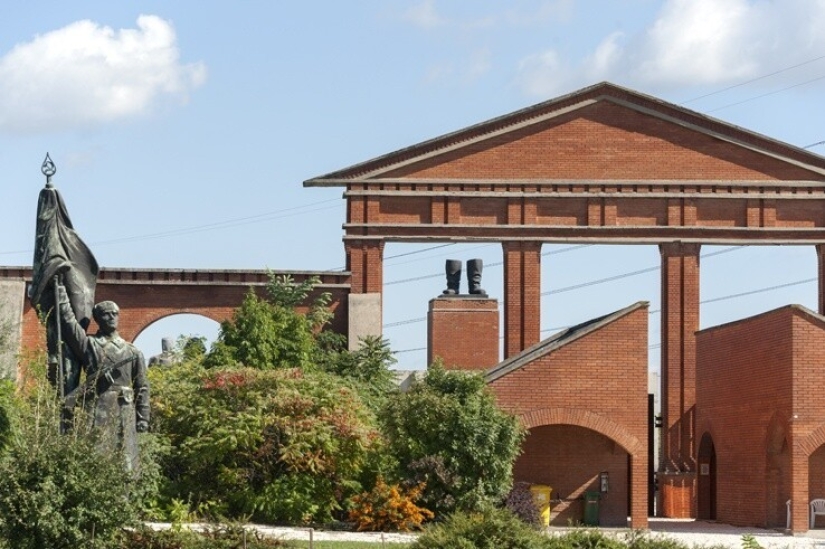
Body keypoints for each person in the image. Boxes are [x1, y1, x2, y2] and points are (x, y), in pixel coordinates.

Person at [56, 282, 149, 472]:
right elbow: (69, 324)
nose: (111, 317)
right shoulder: (89, 344)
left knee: (126, 464)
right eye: (106, 314)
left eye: (115, 313)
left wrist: (143, 418)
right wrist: (61, 293)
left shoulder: (133, 352)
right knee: (96, 457)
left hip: (124, 408)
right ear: (97, 319)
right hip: (97, 406)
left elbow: (142, 387)